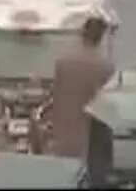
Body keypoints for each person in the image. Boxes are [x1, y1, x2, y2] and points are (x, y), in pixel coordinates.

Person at [46, 16, 115, 159]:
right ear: (101, 37)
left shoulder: (64, 62)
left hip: (63, 132)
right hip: (90, 138)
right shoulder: (105, 68)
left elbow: (55, 96)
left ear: (82, 33)